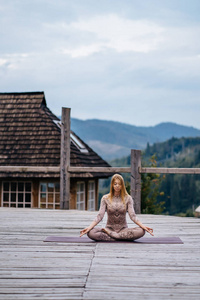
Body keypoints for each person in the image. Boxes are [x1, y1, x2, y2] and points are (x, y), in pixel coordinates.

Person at [80, 174, 154, 241]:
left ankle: (113, 236)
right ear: (112, 185)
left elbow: (133, 216)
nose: (117, 186)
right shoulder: (105, 198)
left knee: (141, 231)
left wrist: (143, 226)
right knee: (91, 233)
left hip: (123, 230)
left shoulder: (128, 198)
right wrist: (89, 227)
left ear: (122, 185)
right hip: (109, 228)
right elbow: (99, 216)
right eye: (115, 184)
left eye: (119, 184)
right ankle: (119, 237)